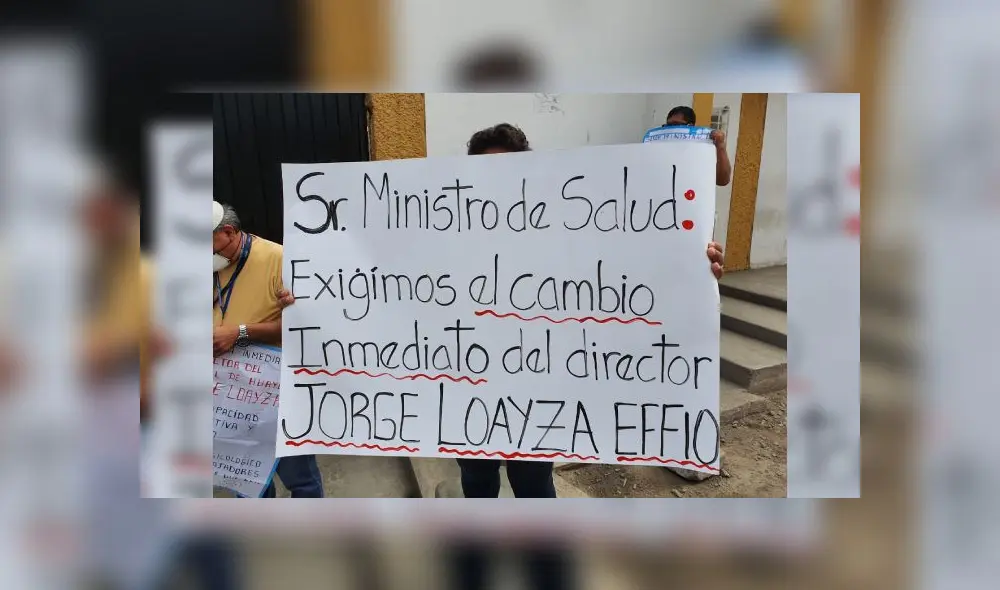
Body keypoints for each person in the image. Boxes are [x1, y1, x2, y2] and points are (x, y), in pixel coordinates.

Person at [212, 201, 324, 498]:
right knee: (246, 480)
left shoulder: (281, 259)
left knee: (299, 478)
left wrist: (240, 333)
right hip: (229, 393)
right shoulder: (210, 266)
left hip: (275, 391)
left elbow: (306, 328)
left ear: (228, 231)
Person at [660, 105, 733, 187]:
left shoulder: (703, 149)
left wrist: (721, 146)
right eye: (668, 125)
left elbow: (722, 181)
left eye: (676, 125)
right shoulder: (660, 149)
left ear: (691, 126)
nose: (671, 129)